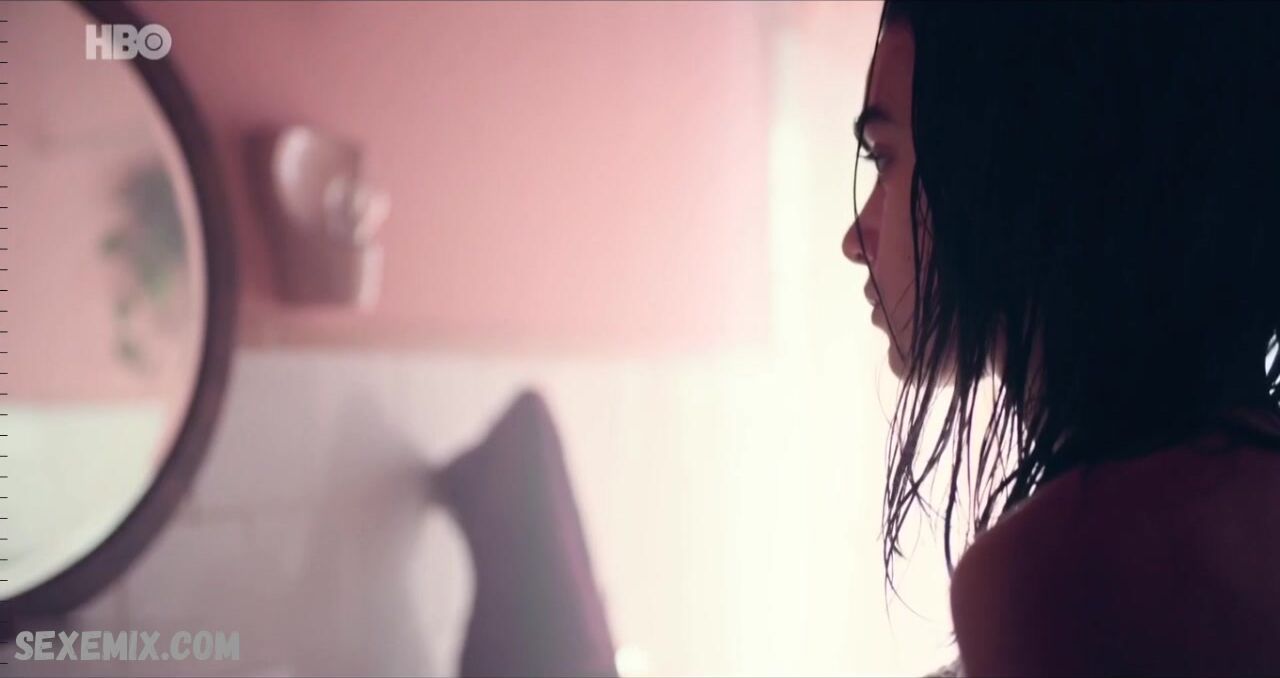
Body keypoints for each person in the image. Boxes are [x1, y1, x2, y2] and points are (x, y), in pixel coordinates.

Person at [842, 2, 1280, 676]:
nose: (855, 239)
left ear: (1008, 171)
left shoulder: (1060, 570)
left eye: (885, 158)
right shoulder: (1244, 486)